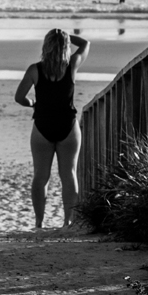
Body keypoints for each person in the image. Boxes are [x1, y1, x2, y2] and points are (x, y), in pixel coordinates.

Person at [14, 29, 90, 229]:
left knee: (40, 176)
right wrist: (66, 36)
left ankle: (39, 222)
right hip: (68, 126)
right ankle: (68, 221)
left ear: (46, 46)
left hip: (42, 126)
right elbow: (85, 44)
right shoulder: (71, 65)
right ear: (65, 47)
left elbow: (19, 97)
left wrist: (32, 103)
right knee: (69, 174)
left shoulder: (35, 70)